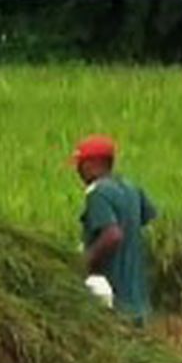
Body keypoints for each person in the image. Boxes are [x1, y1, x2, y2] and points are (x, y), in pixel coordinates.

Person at [71, 134, 158, 326]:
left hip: (115, 296)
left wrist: (83, 262)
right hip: (138, 296)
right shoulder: (131, 188)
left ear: (94, 163)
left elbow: (113, 235)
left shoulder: (98, 193)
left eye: (80, 164)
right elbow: (146, 217)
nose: (78, 170)